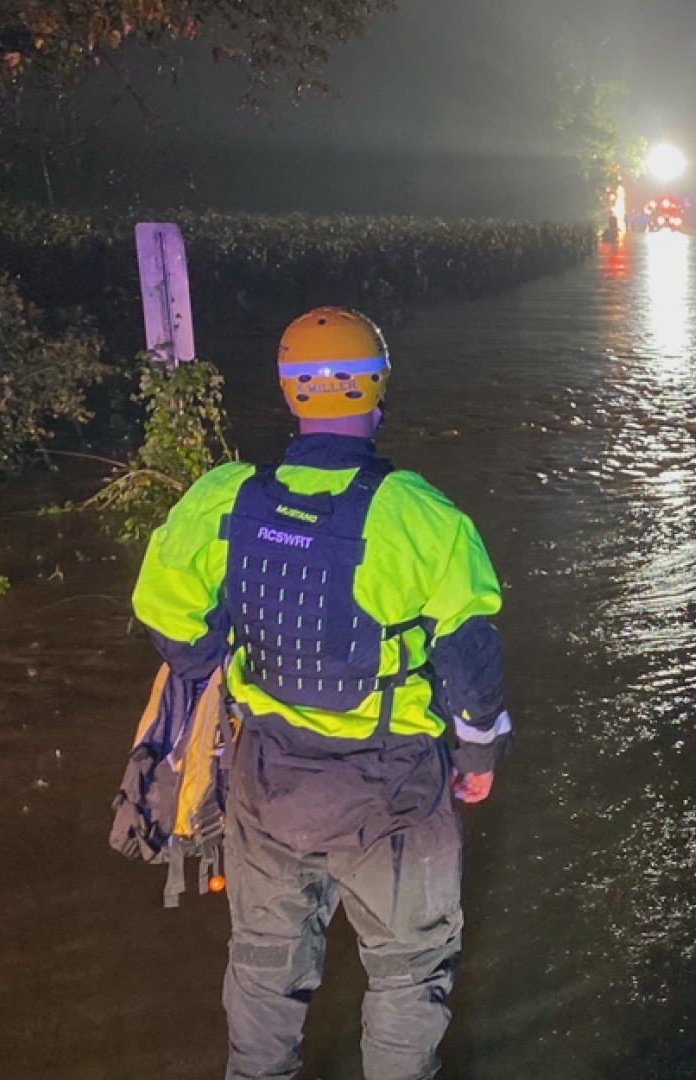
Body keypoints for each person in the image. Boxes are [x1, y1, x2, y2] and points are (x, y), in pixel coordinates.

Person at [131, 307, 510, 1080]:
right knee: (407, 973)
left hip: (267, 781)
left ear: (289, 394)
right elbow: (471, 656)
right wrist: (479, 750)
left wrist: (211, 650)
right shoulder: (420, 514)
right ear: (377, 392)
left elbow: (166, 610)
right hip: (394, 791)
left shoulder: (225, 497)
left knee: (266, 967)